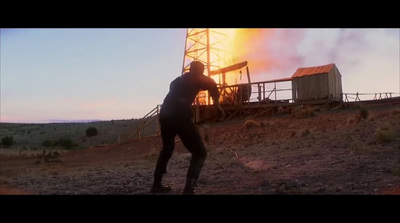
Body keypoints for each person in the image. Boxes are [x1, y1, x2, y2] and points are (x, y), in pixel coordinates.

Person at [150, 61, 225, 195]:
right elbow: (213, 85)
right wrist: (217, 106)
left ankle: (156, 184)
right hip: (179, 117)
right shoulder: (197, 78)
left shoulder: (176, 81)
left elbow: (177, 94)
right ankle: (189, 189)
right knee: (200, 152)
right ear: (201, 71)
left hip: (165, 115)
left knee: (167, 148)